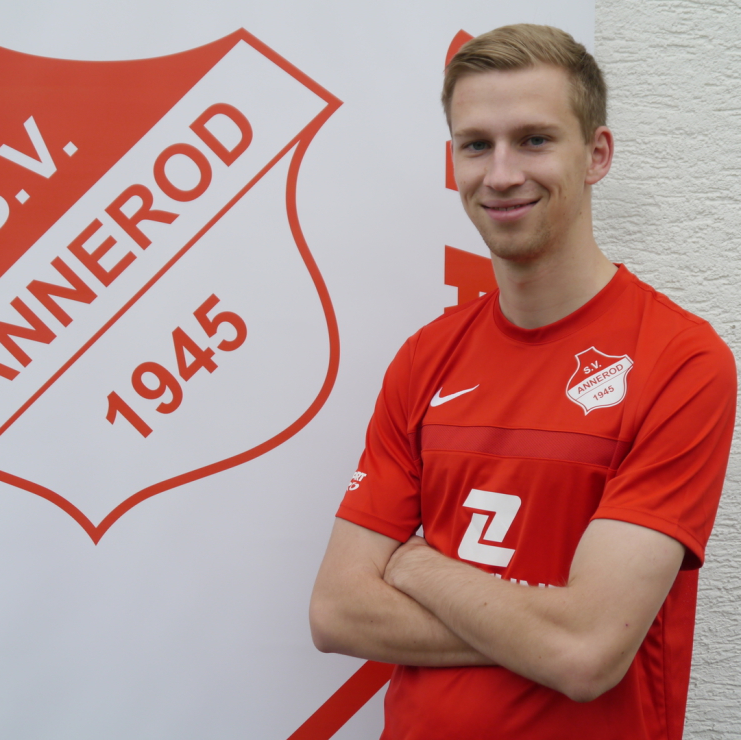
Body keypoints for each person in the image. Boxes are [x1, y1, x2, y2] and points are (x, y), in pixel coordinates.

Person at [309, 23, 736, 740]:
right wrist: (542, 631)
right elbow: (336, 612)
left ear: (596, 154)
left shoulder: (681, 362)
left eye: (534, 140)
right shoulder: (425, 358)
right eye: (476, 145)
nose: (501, 174)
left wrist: (419, 569)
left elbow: (586, 654)